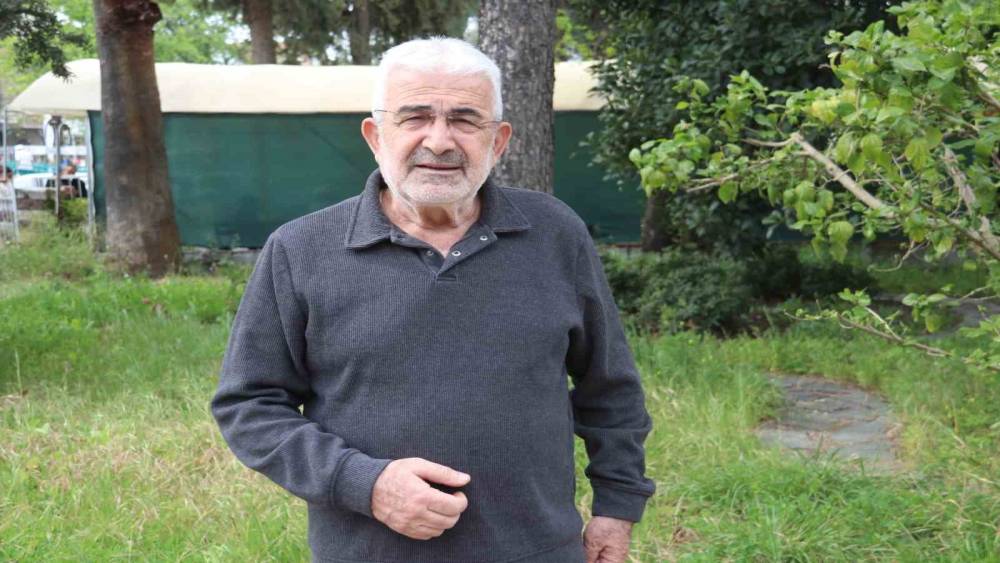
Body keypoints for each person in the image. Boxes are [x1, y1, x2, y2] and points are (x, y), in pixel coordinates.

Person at [211, 37, 655, 563]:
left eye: (465, 120)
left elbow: (610, 387)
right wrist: (365, 483)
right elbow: (249, 405)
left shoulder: (555, 234)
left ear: (498, 141)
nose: (440, 141)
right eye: (415, 117)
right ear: (376, 136)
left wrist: (617, 505)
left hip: (538, 551)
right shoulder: (301, 250)